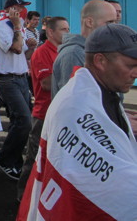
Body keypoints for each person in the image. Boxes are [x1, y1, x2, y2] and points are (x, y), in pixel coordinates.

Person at [17, 24, 137, 220]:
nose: (136, 73)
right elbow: (110, 178)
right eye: (131, 66)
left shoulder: (100, 93)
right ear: (100, 61)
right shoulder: (76, 106)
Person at [16, 16, 69, 200]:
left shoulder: (63, 52)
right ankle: (23, 197)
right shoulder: (42, 52)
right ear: (51, 32)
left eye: (68, 29)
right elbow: (46, 83)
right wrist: (73, 72)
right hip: (43, 114)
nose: (67, 33)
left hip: (60, 113)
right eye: (63, 29)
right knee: (34, 158)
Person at [0, 0, 37, 180]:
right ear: (9, 9)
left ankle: (13, 159)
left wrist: (31, 47)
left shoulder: (18, 27)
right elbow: (16, 49)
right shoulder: (2, 26)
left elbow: (24, 53)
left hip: (21, 77)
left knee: (20, 121)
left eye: (23, 7)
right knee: (24, 120)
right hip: (6, 80)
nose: (22, 11)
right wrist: (18, 27)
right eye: (18, 7)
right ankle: (5, 158)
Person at [51, 0, 116, 97]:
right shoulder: (73, 54)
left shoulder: (90, 52)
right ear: (89, 22)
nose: (114, 27)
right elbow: (74, 99)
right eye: (109, 22)